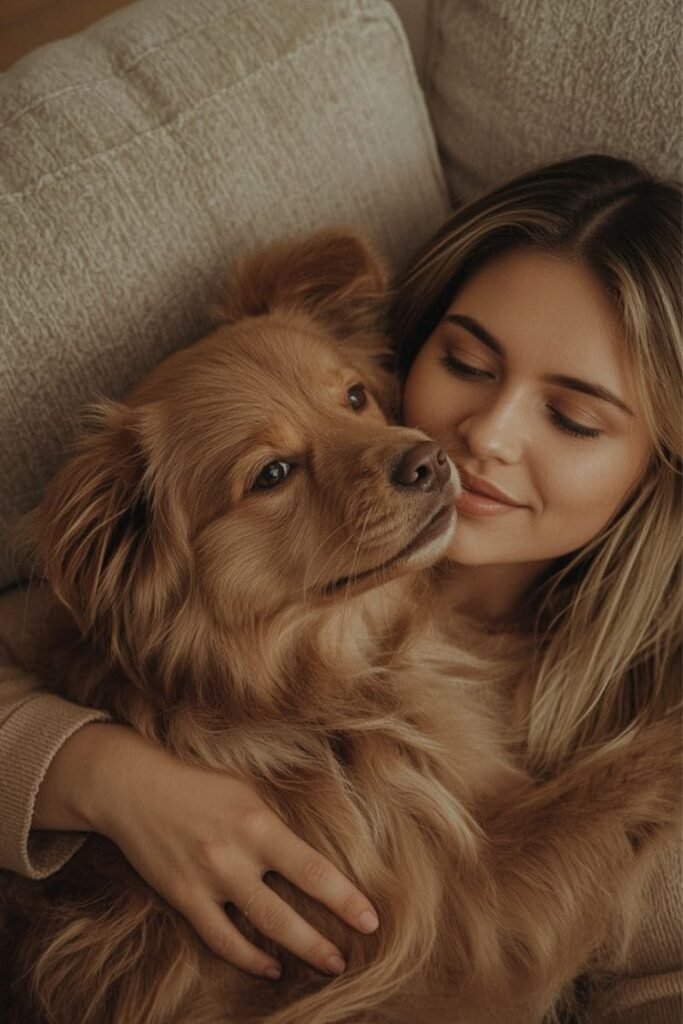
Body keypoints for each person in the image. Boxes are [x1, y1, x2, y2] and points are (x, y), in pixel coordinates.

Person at [0, 153, 680, 1017]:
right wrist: (96, 773)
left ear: (659, 460)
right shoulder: (108, 625)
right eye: (466, 364)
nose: (475, 442)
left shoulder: (628, 689)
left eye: (573, 417)